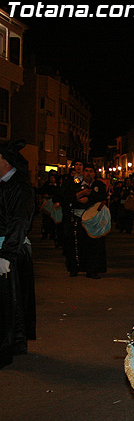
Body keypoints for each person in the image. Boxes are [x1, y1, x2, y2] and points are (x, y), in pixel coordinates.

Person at [0, 140, 36, 369]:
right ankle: (14, 343)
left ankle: (8, 348)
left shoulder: (20, 186)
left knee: (9, 302)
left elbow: (20, 221)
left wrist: (7, 254)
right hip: (6, 248)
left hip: (9, 249)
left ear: (4, 161)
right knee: (11, 302)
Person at [62, 163, 108, 279]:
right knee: (76, 245)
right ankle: (74, 268)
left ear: (94, 173)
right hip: (77, 217)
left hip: (93, 219)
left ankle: (92, 270)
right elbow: (67, 197)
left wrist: (89, 197)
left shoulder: (98, 185)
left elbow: (102, 196)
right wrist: (80, 196)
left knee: (93, 246)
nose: (88, 173)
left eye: (91, 171)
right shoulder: (75, 183)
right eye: (86, 170)